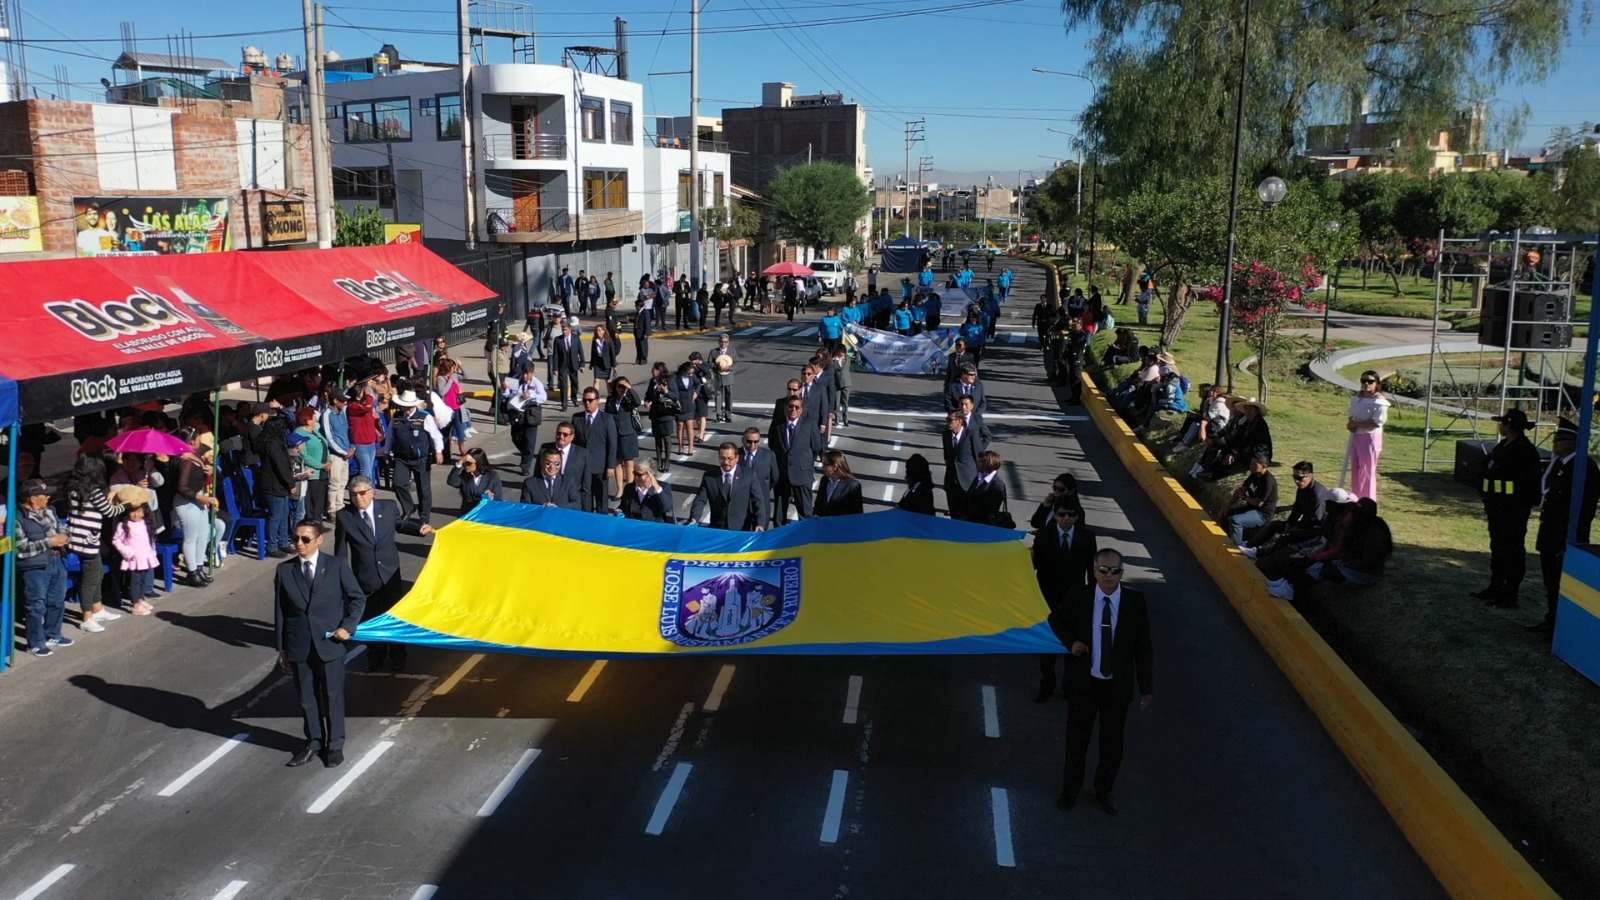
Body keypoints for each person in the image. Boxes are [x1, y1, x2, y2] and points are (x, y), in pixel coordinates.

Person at [1049, 548, 1154, 815]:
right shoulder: (1079, 595)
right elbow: (1055, 620)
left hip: (1116, 687)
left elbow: (1143, 647)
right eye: (1103, 571)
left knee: (1111, 745)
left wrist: (1146, 687)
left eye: (1115, 571)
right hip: (1084, 683)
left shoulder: (1135, 602)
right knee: (1076, 742)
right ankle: (1070, 791)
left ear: (1122, 572)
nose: (1109, 576)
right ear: (1094, 572)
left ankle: (1104, 791)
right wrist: (1072, 642)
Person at [276, 520, 369, 768]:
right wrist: (281, 648)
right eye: (296, 538)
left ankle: (335, 744)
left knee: (332, 696)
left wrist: (347, 627)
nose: (299, 544)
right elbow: (281, 612)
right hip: (299, 644)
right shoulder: (284, 571)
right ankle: (314, 741)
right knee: (307, 698)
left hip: (330, 643)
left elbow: (357, 598)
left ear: (319, 540)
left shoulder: (336, 566)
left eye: (305, 539)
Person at [333, 476, 434, 672]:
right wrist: (341, 580)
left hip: (390, 574)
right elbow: (341, 552)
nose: (358, 498)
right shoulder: (344, 516)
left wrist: (419, 529)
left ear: (372, 492)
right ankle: (375, 656)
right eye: (353, 495)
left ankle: (398, 655)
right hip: (364, 578)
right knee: (370, 618)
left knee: (393, 615)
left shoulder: (388, 507)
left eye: (362, 493)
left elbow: (400, 524)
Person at [1531, 418, 1600, 633]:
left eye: (1561, 439)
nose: (1555, 443)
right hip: (1550, 532)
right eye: (1556, 438)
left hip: (1564, 535)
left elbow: (1583, 508)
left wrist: (1571, 538)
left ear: (1573, 442)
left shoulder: (1583, 467)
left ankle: (1561, 626)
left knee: (1563, 583)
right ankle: (1551, 619)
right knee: (1550, 582)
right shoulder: (1559, 464)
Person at [1473, 408, 1544, 608]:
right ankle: (1495, 587)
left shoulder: (1524, 450)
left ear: (1509, 426)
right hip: (1496, 507)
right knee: (1498, 548)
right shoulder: (1503, 445)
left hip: (1514, 510)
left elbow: (1528, 483)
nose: (1500, 426)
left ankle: (1510, 593)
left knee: (1512, 550)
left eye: (1503, 423)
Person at [1033, 501, 1099, 699]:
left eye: (1071, 515)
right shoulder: (1044, 536)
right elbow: (1033, 566)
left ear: (1077, 517)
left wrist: (1093, 597)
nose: (1066, 518)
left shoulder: (1087, 538)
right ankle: (1047, 685)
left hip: (1075, 601)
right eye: (1062, 514)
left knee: (1074, 646)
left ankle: (1069, 687)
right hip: (1048, 599)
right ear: (1055, 515)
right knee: (1047, 647)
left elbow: (1091, 570)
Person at [62, 453, 128, 633]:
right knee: (91, 577)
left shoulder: (73, 487)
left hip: (78, 536)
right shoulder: (94, 490)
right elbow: (109, 511)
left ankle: (97, 608)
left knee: (97, 572)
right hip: (89, 539)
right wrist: (127, 505)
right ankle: (87, 617)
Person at [15, 479, 73, 657]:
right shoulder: (18, 518)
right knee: (36, 605)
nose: (48, 497)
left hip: (56, 561)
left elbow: (61, 527)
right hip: (35, 567)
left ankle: (53, 633)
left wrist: (65, 536)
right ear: (32, 498)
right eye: (44, 494)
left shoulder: (50, 511)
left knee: (57, 600)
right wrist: (49, 542)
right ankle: (36, 642)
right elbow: (21, 548)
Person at [381, 390, 445, 525]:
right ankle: (408, 507)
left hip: (421, 458)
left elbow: (436, 435)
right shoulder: (397, 418)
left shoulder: (424, 417)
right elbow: (390, 436)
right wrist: (386, 451)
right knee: (398, 484)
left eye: (409, 406)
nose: (407, 408)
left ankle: (424, 516)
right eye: (404, 405)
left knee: (424, 489)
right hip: (401, 458)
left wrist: (439, 451)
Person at [173, 428, 225, 586]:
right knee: (191, 538)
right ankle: (192, 571)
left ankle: (199, 567)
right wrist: (201, 497)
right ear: (191, 442)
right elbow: (182, 487)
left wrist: (209, 471)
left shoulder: (196, 459)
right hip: (187, 502)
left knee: (203, 533)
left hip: (199, 500)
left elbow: (201, 479)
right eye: (197, 440)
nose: (200, 443)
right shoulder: (186, 461)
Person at [691, 442, 769, 530]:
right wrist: (694, 518)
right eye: (722, 458)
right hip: (718, 529)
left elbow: (757, 500)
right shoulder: (709, 477)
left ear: (737, 458)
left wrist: (760, 523)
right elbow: (700, 500)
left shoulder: (748, 476)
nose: (726, 462)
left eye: (729, 459)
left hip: (741, 529)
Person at [771, 397, 824, 523]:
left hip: (802, 473)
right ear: (785, 408)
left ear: (801, 410)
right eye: (790, 406)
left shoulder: (809, 424)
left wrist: (805, 462)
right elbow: (773, 445)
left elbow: (816, 447)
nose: (793, 409)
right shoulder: (778, 424)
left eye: (796, 407)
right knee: (779, 513)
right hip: (782, 474)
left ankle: (806, 537)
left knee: (805, 512)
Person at [1344, 370, 1391, 502]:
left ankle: (1368, 501)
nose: (1366, 384)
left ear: (1376, 383)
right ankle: (1356, 497)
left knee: (1367, 470)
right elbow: (1353, 415)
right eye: (1363, 381)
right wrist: (1351, 424)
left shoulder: (1379, 401)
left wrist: (1356, 424)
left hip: (1370, 438)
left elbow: (1376, 422)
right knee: (1356, 469)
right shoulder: (1359, 398)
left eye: (1370, 381)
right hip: (1357, 436)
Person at [570, 387, 619, 513]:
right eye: (585, 400)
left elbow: (612, 444)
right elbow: (573, 443)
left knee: (601, 498)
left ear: (598, 401)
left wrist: (610, 466)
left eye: (590, 400)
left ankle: (601, 523)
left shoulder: (606, 419)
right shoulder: (577, 418)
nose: (587, 403)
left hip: (600, 467)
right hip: (582, 466)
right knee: (585, 498)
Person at [257, 415, 296, 557]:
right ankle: (272, 546)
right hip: (274, 485)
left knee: (284, 514)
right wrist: (290, 483)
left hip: (278, 485)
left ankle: (284, 541)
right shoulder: (273, 444)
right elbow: (280, 466)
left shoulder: (273, 441)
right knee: (277, 515)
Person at [112, 502, 159, 615]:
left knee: (143, 580)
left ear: (144, 513)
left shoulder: (145, 524)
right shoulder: (124, 525)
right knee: (135, 582)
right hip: (134, 559)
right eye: (133, 511)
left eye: (139, 511)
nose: (136, 514)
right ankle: (135, 604)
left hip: (145, 558)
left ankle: (140, 599)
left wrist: (152, 552)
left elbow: (150, 540)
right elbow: (116, 540)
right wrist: (128, 552)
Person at [1222, 454, 1278, 547]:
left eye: (1254, 464)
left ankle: (1238, 547)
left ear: (1264, 466)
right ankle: (1226, 540)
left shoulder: (1268, 481)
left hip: (1262, 514)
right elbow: (1240, 491)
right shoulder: (1254, 475)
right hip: (1251, 508)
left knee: (1235, 521)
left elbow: (1259, 503)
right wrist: (1227, 506)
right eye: (1251, 463)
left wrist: (1244, 497)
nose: (1250, 466)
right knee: (1226, 515)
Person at [503, 368, 547, 477]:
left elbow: (543, 398)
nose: (525, 376)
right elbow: (507, 394)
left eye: (527, 373)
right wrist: (504, 389)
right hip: (517, 413)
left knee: (529, 441)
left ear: (532, 373)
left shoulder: (537, 383)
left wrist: (531, 396)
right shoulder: (515, 380)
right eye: (523, 373)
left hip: (530, 414)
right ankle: (527, 454)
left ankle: (525, 466)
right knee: (515, 437)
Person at [607, 376, 643, 502]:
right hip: (615, 433)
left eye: (624, 387)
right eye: (619, 386)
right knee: (617, 462)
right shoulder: (611, 399)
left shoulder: (629, 399)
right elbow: (607, 414)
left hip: (628, 434)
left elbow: (638, 402)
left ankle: (630, 489)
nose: (622, 389)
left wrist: (629, 388)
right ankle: (620, 490)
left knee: (629, 462)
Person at [942, 410, 981, 519]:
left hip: (967, 482)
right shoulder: (945, 434)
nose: (948, 422)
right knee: (954, 515)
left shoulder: (971, 435)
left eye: (950, 420)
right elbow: (947, 456)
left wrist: (979, 479)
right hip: (951, 482)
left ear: (959, 421)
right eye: (947, 420)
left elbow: (979, 456)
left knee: (968, 515)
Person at [738, 428, 779, 528]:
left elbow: (775, 477)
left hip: (762, 503)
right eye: (749, 441)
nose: (752, 445)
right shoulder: (736, 455)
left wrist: (763, 489)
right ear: (742, 440)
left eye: (755, 442)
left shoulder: (768, 456)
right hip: (741, 504)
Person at [645, 362, 679, 475]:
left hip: (666, 413)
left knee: (666, 437)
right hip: (655, 413)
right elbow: (648, 395)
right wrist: (646, 401)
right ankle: (659, 460)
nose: (651, 371)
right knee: (657, 438)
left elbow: (675, 396)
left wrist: (666, 391)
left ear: (659, 371)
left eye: (653, 370)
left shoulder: (668, 381)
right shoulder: (652, 382)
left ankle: (667, 460)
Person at [447, 447, 503, 514]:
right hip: (467, 515)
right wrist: (459, 463)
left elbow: (498, 499)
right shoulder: (465, 475)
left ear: (478, 463)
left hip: (484, 515)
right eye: (464, 462)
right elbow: (452, 482)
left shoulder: (492, 476)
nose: (465, 465)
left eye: (469, 463)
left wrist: (491, 497)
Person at [960, 450, 1009, 526]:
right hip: (969, 521)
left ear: (988, 464)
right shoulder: (979, 478)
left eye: (980, 462)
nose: (977, 464)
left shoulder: (997, 485)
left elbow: (990, 509)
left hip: (982, 525)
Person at [814, 450, 865, 517]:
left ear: (834, 466)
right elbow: (818, 503)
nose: (822, 467)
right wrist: (816, 514)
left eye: (825, 464)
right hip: (824, 524)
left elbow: (857, 513)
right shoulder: (824, 480)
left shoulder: (852, 485)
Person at [551, 322, 585, 410]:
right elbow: (555, 355)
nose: (564, 331)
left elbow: (580, 351)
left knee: (574, 383)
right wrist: (555, 368)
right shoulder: (558, 340)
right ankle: (564, 404)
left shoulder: (576, 338)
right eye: (563, 330)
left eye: (566, 329)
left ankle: (574, 399)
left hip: (573, 365)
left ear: (570, 329)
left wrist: (582, 364)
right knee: (563, 385)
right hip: (563, 366)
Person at [709, 334, 737, 424]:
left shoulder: (732, 351)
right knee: (718, 396)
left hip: (728, 377)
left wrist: (730, 367)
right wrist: (716, 366)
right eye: (721, 342)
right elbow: (709, 364)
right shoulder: (713, 352)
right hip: (718, 376)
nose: (723, 344)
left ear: (728, 343)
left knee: (729, 396)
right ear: (719, 342)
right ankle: (719, 415)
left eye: (725, 342)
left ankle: (728, 415)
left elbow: (737, 363)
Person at [590, 324, 619, 392]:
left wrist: (614, 365)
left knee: (608, 381)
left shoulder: (608, 340)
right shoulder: (595, 340)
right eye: (597, 330)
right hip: (598, 363)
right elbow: (593, 353)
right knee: (596, 380)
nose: (598, 332)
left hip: (606, 363)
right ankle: (596, 397)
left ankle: (610, 397)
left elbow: (612, 353)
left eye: (600, 330)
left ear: (604, 331)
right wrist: (591, 364)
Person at [830, 346, 853, 428]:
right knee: (836, 403)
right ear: (838, 351)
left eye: (844, 351)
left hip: (846, 383)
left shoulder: (848, 359)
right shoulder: (833, 360)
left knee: (845, 402)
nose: (842, 353)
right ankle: (836, 419)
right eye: (841, 351)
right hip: (836, 384)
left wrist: (856, 350)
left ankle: (845, 419)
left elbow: (858, 360)